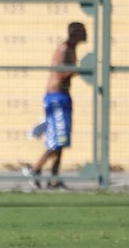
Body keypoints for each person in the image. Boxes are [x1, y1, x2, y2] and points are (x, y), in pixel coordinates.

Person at [20, 22, 88, 190]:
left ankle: (54, 179)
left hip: (64, 97)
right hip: (56, 98)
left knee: (61, 141)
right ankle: (35, 169)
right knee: (57, 140)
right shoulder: (63, 50)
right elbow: (60, 73)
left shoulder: (72, 49)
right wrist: (80, 70)